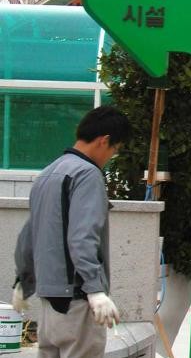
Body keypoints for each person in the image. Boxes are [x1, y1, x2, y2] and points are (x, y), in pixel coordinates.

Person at [12, 105, 132, 357]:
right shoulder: (87, 174)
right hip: (78, 299)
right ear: (104, 141)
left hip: (49, 302)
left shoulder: (48, 173)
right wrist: (95, 290)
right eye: (115, 149)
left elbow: (29, 235)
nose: (111, 156)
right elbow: (83, 237)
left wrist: (23, 281)